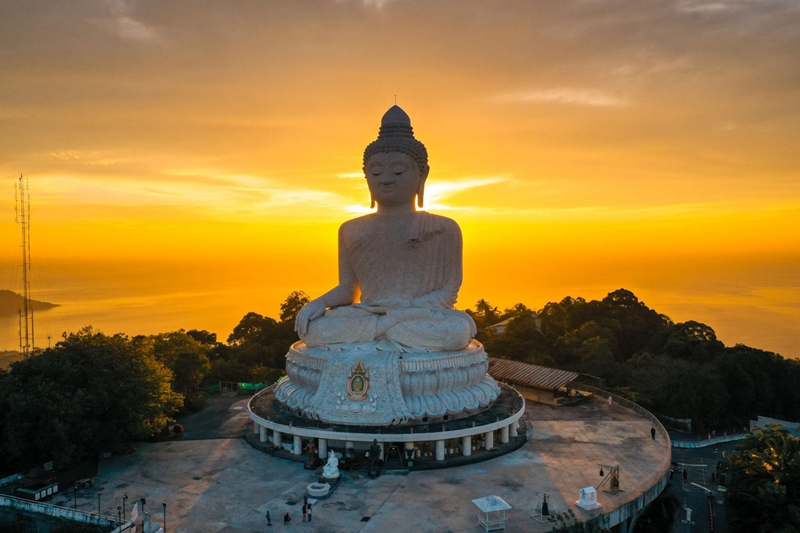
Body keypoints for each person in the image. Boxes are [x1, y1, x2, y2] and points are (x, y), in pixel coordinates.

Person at [294, 105, 476, 352]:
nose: (386, 178)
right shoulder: (351, 229)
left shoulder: (444, 229)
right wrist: (318, 303)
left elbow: (448, 292)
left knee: (456, 332)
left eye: (398, 170)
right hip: (372, 315)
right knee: (314, 329)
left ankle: (384, 330)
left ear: (422, 176)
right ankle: (387, 331)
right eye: (376, 171)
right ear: (366, 176)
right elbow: (349, 289)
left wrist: (402, 309)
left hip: (419, 315)